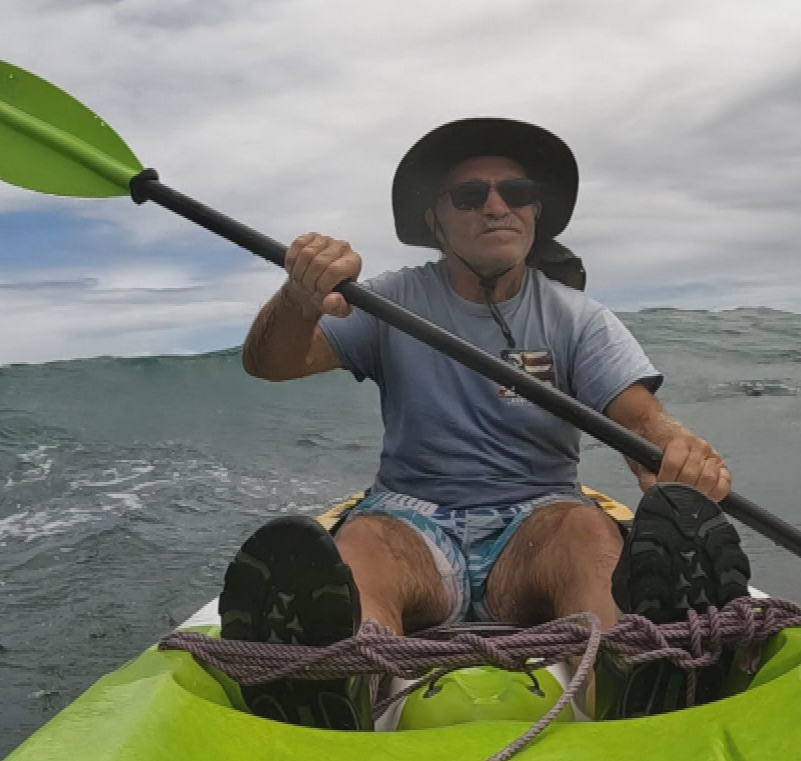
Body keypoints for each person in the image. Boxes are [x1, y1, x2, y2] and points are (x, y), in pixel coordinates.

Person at [219, 118, 750, 730]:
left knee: (585, 531)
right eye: (470, 196)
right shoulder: (386, 302)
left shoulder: (579, 318)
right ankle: (338, 685)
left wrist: (677, 453)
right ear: (435, 222)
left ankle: (631, 680)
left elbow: (641, 423)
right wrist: (299, 299)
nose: (497, 207)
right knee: (363, 543)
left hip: (539, 524)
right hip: (410, 520)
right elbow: (272, 364)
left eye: (516, 192)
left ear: (536, 211)